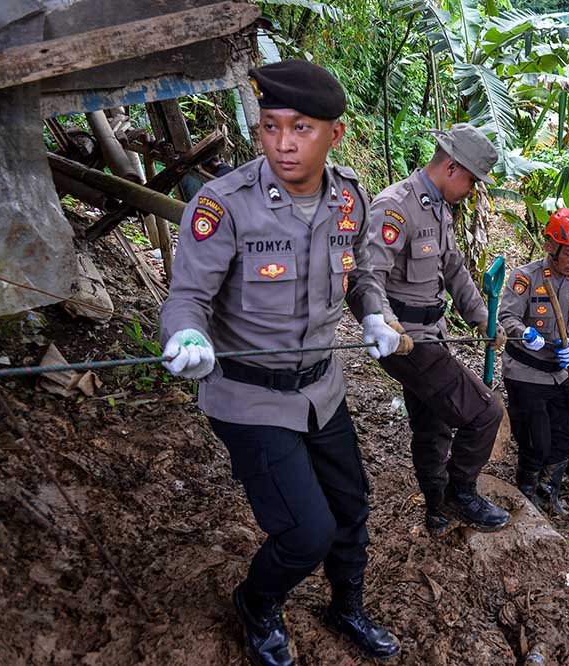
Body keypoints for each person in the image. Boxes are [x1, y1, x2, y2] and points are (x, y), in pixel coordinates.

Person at [158, 60, 402, 666]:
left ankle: (346, 605)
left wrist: (374, 312)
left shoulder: (348, 197)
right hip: (250, 396)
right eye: (270, 127)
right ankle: (257, 602)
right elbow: (187, 296)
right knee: (304, 533)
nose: (284, 144)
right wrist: (187, 337)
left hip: (322, 388)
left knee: (351, 507)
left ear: (334, 134)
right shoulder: (225, 205)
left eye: (301, 128)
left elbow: (361, 272)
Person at [349, 123, 510, 537]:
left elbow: (454, 269)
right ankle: (462, 492)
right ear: (453, 167)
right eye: (472, 181)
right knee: (485, 411)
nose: (473, 190)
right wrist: (382, 322)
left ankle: (436, 506)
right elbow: (366, 275)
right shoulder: (395, 206)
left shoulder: (439, 207)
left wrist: (481, 318)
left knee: (433, 423)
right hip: (408, 341)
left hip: (432, 332)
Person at [499, 207, 569, 514]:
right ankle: (526, 492)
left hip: (560, 374)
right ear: (551, 246)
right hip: (525, 372)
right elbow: (507, 316)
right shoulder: (525, 278)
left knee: (565, 436)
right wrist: (524, 332)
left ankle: (549, 489)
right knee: (535, 439)